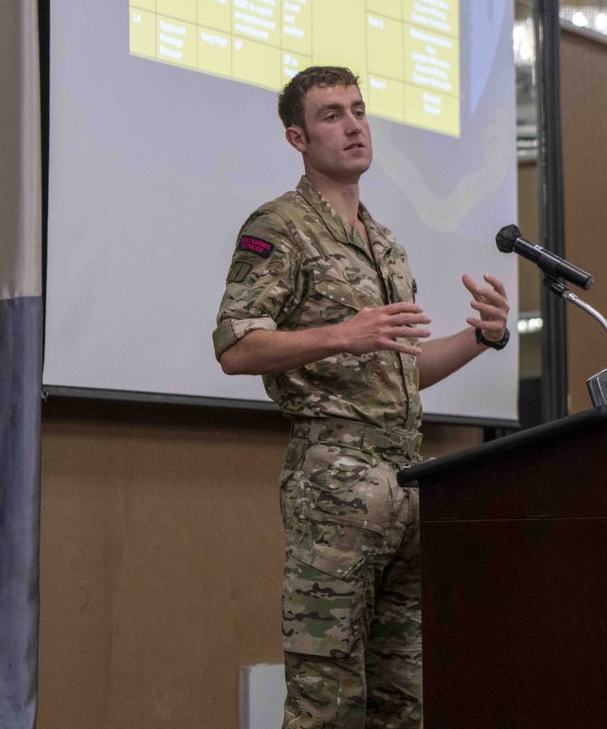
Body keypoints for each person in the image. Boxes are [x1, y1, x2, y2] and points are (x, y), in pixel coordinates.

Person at [213, 66, 510, 729]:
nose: (352, 125)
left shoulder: (386, 245)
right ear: (298, 137)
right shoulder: (280, 227)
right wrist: (342, 333)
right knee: (328, 700)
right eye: (330, 115)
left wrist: (481, 338)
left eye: (358, 109)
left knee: (406, 702)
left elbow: (404, 373)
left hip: (405, 484)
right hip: (334, 486)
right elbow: (236, 345)